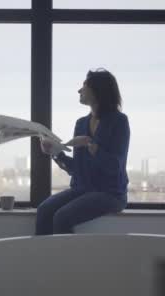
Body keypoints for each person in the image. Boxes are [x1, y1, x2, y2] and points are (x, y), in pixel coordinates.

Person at [36, 68, 130, 235]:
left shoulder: (119, 122)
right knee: (44, 210)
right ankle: (44, 259)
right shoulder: (81, 123)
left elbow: (115, 167)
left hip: (110, 194)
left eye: (84, 86)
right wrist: (55, 153)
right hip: (82, 189)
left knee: (62, 217)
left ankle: (67, 261)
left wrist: (91, 145)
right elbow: (76, 170)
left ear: (98, 90)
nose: (79, 90)